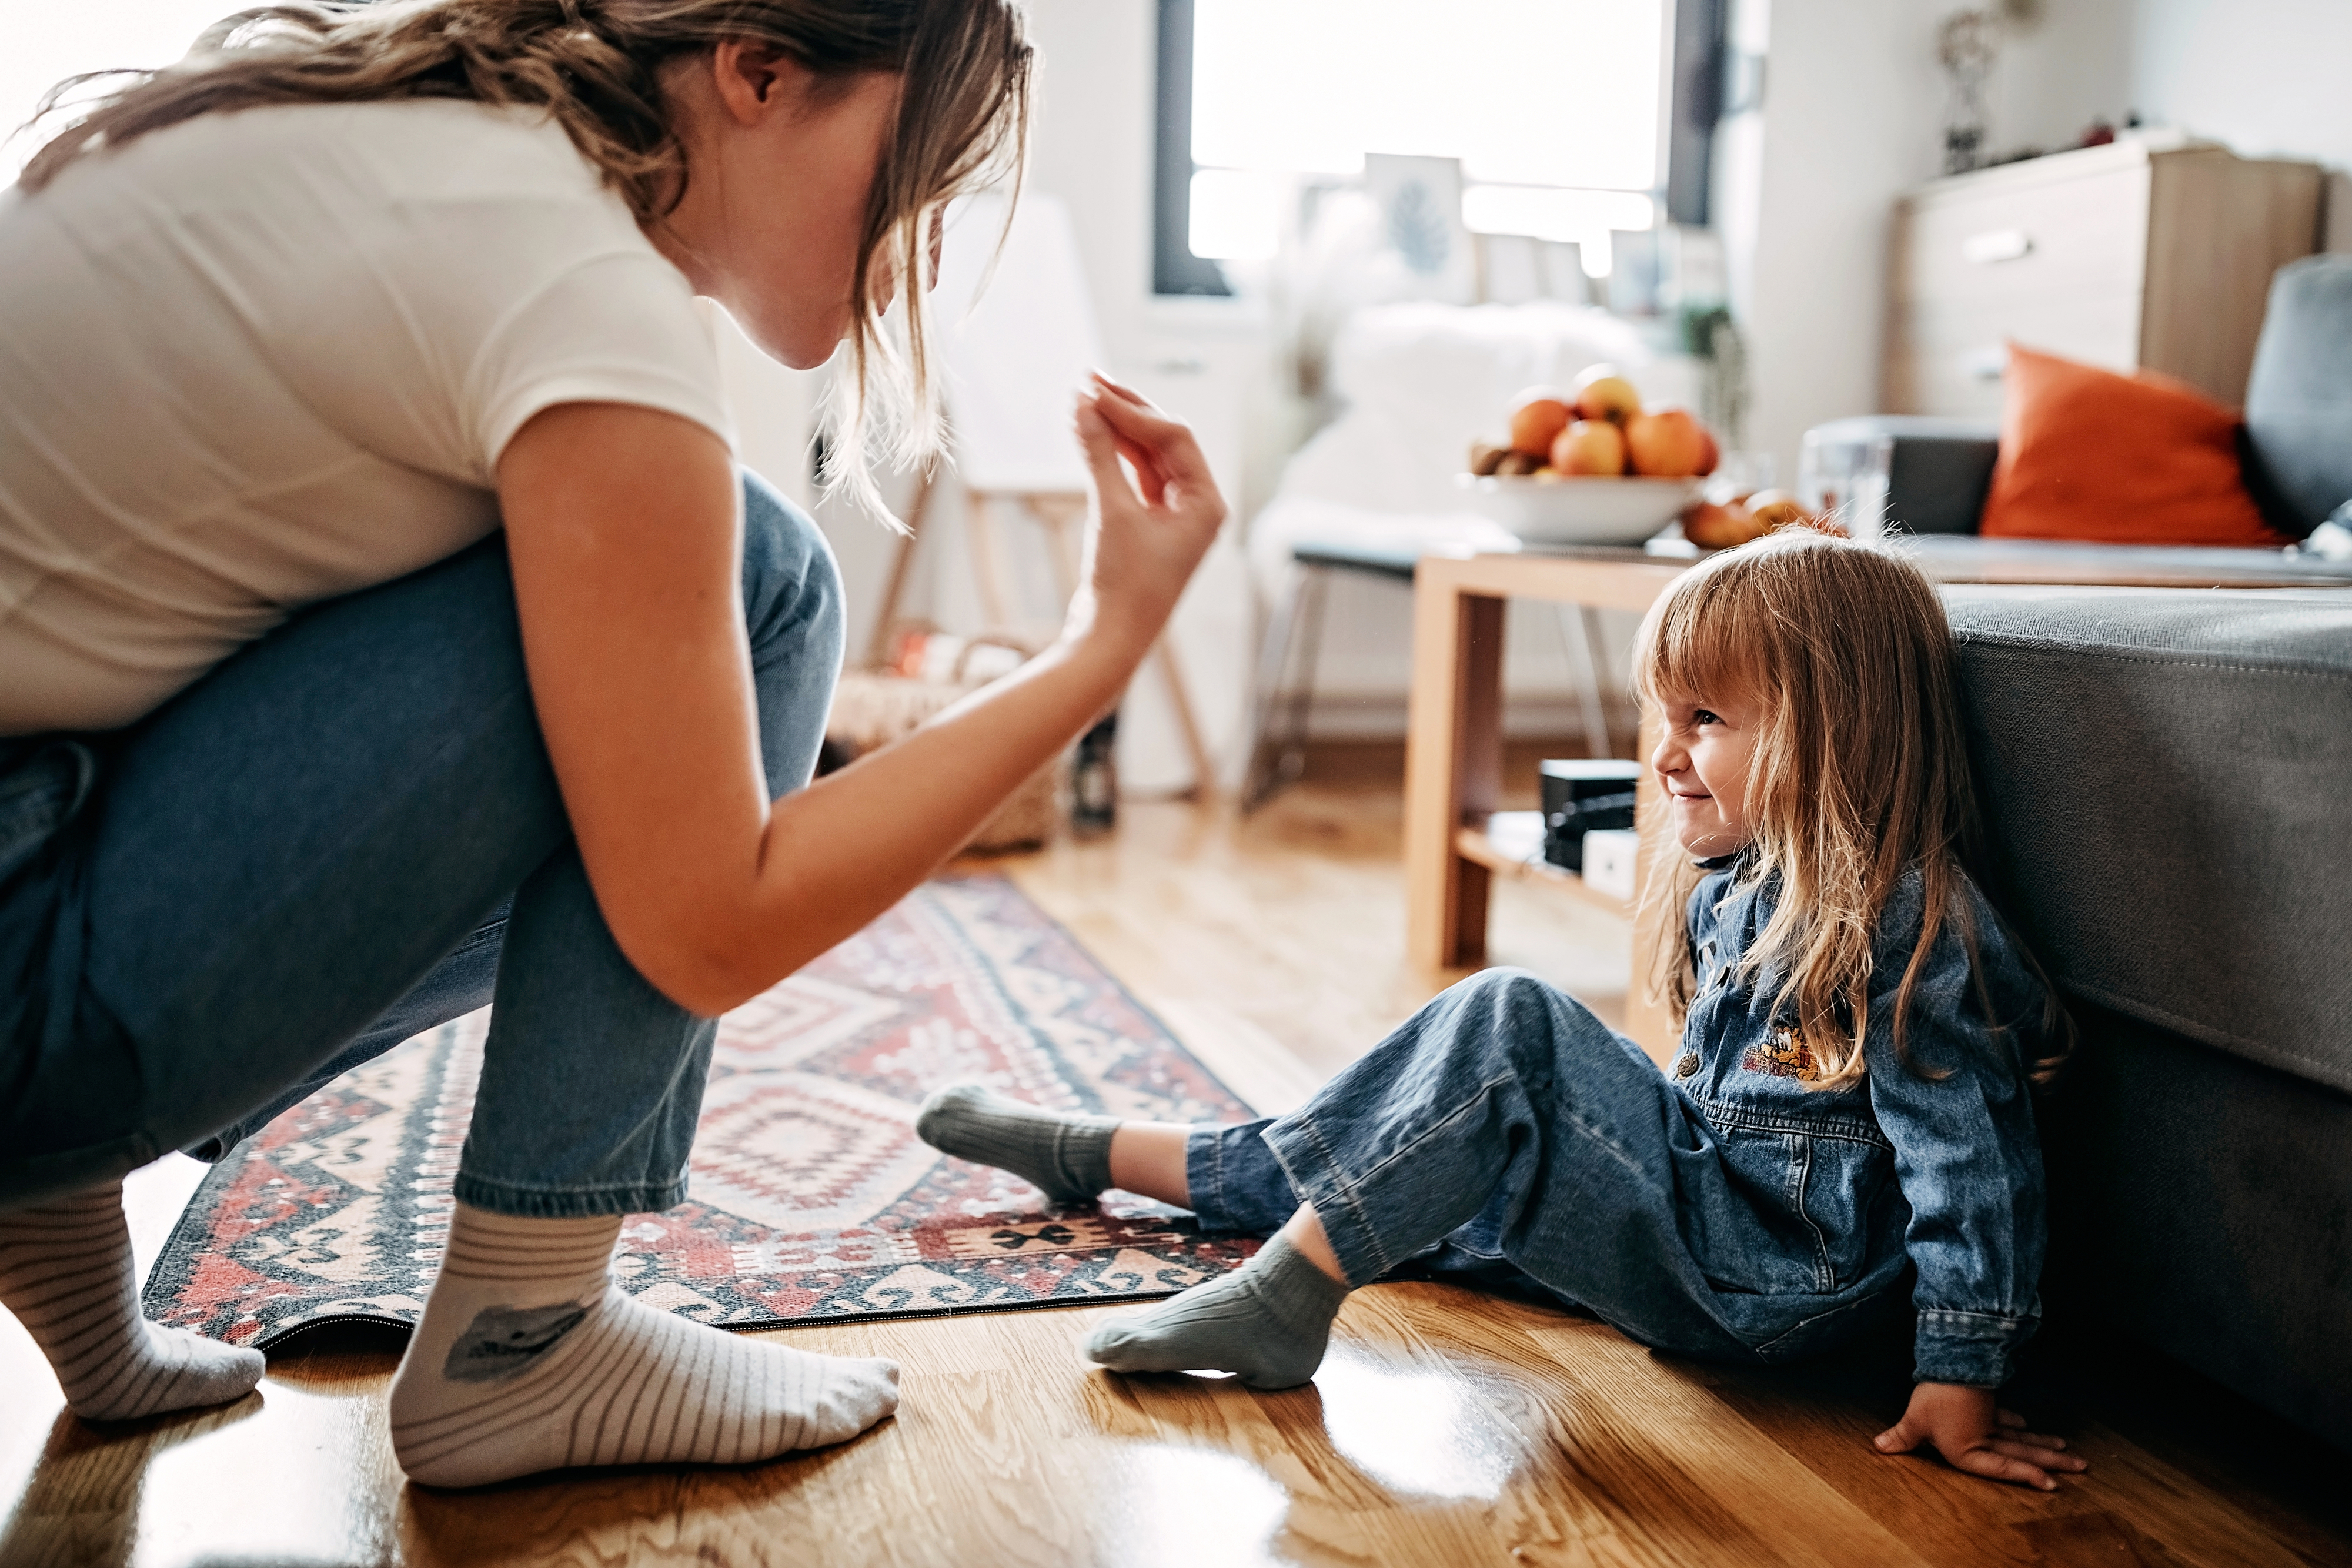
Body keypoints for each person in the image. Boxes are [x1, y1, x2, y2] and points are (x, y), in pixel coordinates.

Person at [0, 0, 1224, 1488]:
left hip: (37, 834)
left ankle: (45, 1196)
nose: (919, 244)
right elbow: (711, 922)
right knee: (760, 581)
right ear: (759, 74)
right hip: (23, 950)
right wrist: (1097, 644)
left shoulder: (418, 135)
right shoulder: (573, 285)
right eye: (910, 175)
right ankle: (524, 1338)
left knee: (637, 676)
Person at [920, 532, 2096, 1493]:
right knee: (1408, 1143)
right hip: (1712, 1224)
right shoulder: (1742, 882)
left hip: (1773, 1282)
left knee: (1508, 1022)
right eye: (1663, 717)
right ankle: (1108, 1152)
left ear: (1829, 729)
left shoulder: (1904, 919)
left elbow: (1973, 1164)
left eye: (1704, 721)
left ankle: (1285, 1298)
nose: (1663, 754)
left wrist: (1960, 1365)